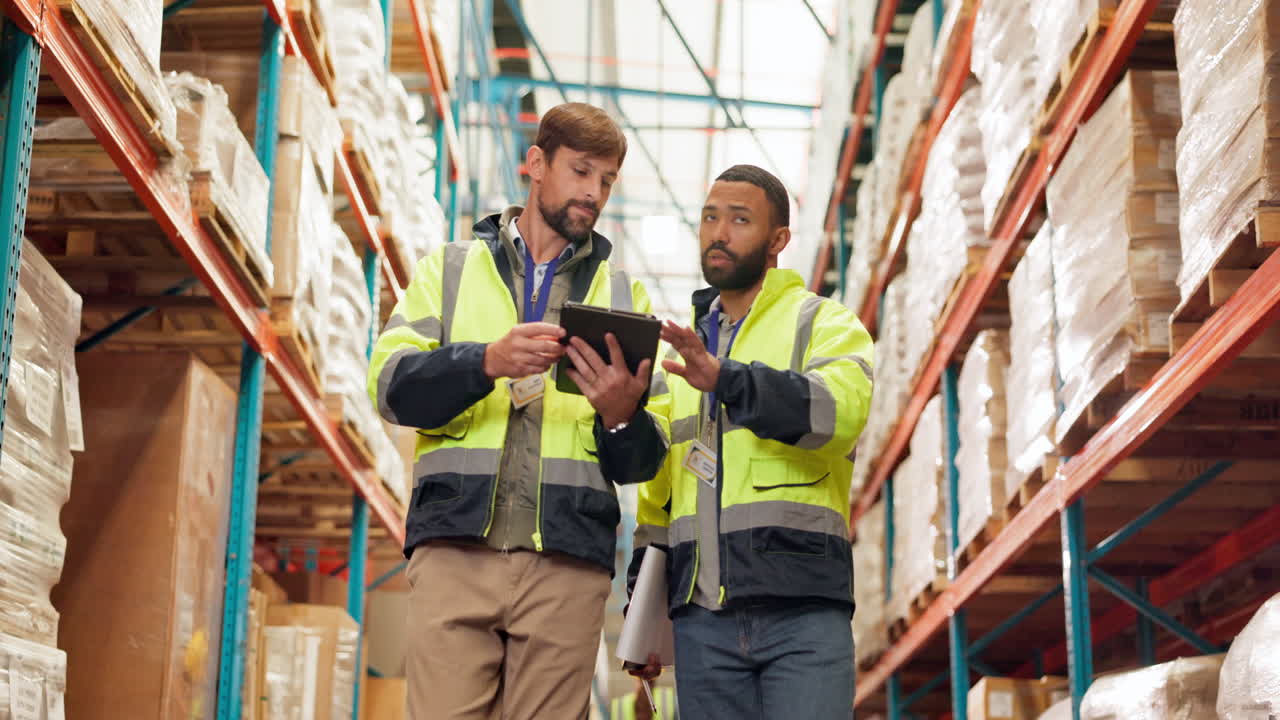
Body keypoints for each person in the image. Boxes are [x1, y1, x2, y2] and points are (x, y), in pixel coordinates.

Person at [368, 102, 669, 720]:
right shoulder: (449, 271)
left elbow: (645, 460)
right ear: (536, 163)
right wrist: (485, 361)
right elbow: (391, 387)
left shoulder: (623, 295)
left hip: (566, 565)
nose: (594, 192)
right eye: (580, 171)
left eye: (607, 180)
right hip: (455, 550)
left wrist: (620, 416)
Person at [626, 164, 874, 718]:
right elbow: (657, 499)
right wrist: (642, 614)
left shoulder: (824, 324)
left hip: (802, 611)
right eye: (710, 217)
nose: (719, 233)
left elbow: (838, 414)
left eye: (740, 220)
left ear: (778, 240)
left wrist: (728, 380)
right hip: (701, 625)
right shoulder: (679, 356)